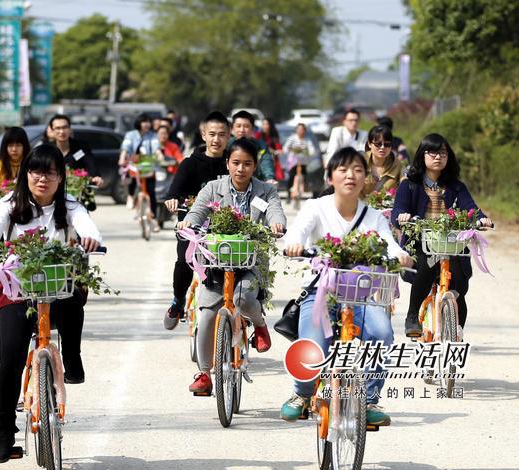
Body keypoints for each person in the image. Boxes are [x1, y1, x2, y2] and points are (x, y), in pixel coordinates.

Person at [0, 144, 102, 464]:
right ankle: (4, 433)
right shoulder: (9, 206)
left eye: (50, 172)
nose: (42, 178)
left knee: (74, 297)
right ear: (26, 174)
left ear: (61, 177)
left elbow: (88, 227)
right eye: (36, 171)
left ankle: (72, 356)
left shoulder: (70, 206)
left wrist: (91, 240)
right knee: (10, 359)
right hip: (17, 289)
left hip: (56, 287)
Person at [281, 147, 413, 425]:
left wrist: (398, 254)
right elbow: (298, 231)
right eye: (343, 169)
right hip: (321, 292)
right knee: (312, 346)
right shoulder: (315, 208)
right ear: (330, 176)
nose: (350, 175)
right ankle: (303, 394)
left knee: (382, 333)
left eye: (357, 170)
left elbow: (387, 242)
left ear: (366, 177)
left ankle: (369, 398)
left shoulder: (374, 217)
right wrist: (294, 244)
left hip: (360, 295)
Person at [178, 138, 286, 394]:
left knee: (245, 298)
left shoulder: (266, 191)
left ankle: (259, 325)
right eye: (236, 163)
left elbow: (275, 211)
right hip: (217, 261)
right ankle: (204, 374)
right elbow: (197, 212)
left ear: (254, 166)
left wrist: (276, 224)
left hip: (250, 261)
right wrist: (188, 223)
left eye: (247, 164)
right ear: (227, 163)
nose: (241, 169)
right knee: (206, 314)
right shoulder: (213, 188)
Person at [391, 133, 492, 337]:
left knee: (459, 286)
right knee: (427, 266)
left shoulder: (456, 186)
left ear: (448, 157)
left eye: (443, 153)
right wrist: (402, 217)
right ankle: (412, 316)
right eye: (433, 152)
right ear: (423, 155)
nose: (438, 157)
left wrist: (481, 219)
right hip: (422, 243)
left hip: (452, 244)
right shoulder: (409, 185)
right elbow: (397, 212)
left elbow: (471, 208)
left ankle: (456, 331)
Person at [163, 111, 230, 329]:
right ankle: (177, 300)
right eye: (212, 134)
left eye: (221, 134)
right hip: (192, 226)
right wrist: (173, 200)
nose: (216, 140)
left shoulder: (232, 162)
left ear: (228, 136)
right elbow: (174, 191)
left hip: (224, 226)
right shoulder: (190, 164)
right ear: (203, 135)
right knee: (184, 260)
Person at [49, 114, 102, 211]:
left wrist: (95, 176)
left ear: (70, 129)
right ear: (52, 131)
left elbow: (90, 162)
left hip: (79, 193)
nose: (62, 131)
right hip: (54, 194)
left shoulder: (80, 146)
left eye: (65, 127)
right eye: (58, 128)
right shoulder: (47, 149)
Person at [118, 113, 160, 216]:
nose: (147, 124)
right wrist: (122, 158)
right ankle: (131, 196)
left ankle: (153, 218)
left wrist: (159, 156)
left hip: (148, 165)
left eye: (148, 122)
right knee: (132, 177)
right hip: (134, 163)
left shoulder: (153, 135)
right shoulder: (131, 135)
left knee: (151, 191)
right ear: (139, 123)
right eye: (144, 122)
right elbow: (126, 147)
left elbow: (156, 148)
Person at [229, 110, 275, 181]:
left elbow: (266, 161)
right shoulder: (226, 145)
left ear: (253, 129)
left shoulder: (260, 145)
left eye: (246, 126)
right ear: (232, 129)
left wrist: (269, 178)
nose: (242, 130)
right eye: (238, 126)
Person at [361, 124, 402, 197]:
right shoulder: (360, 161)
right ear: (369, 144)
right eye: (378, 144)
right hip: (361, 206)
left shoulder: (398, 164)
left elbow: (406, 182)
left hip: (388, 207)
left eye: (387, 144)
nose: (382, 147)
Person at [283, 123, 317, 202]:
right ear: (296, 130)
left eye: (302, 130)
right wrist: (291, 150)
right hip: (293, 162)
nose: (300, 131)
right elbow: (285, 148)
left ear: (304, 131)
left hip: (303, 162)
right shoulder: (292, 138)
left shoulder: (307, 140)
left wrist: (308, 152)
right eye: (299, 129)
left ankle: (303, 190)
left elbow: (312, 150)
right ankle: (289, 194)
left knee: (304, 176)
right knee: (291, 177)